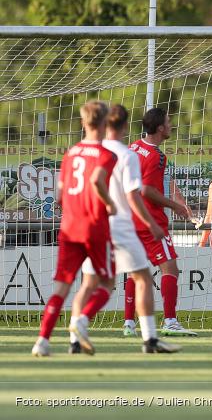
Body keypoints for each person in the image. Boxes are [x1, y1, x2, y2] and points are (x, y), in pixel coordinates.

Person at [70, 104, 180, 354]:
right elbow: (137, 194)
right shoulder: (128, 153)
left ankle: (74, 333)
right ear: (124, 125)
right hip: (121, 223)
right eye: (169, 122)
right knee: (142, 276)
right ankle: (152, 336)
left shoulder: (87, 150)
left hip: (89, 224)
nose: (171, 125)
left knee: (90, 284)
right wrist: (152, 223)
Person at [32, 101, 118, 357]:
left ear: (83, 123)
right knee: (107, 282)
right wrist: (110, 203)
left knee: (62, 287)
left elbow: (59, 196)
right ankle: (82, 321)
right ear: (104, 124)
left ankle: (42, 341)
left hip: (69, 226)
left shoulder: (70, 154)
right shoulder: (107, 155)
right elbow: (96, 180)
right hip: (94, 226)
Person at [124, 107, 196, 337]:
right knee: (170, 268)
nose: (171, 125)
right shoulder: (156, 156)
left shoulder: (133, 147)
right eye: (168, 122)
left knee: (136, 271)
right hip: (151, 221)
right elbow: (147, 191)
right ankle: (170, 321)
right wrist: (176, 207)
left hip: (130, 218)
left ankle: (128, 323)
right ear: (160, 128)